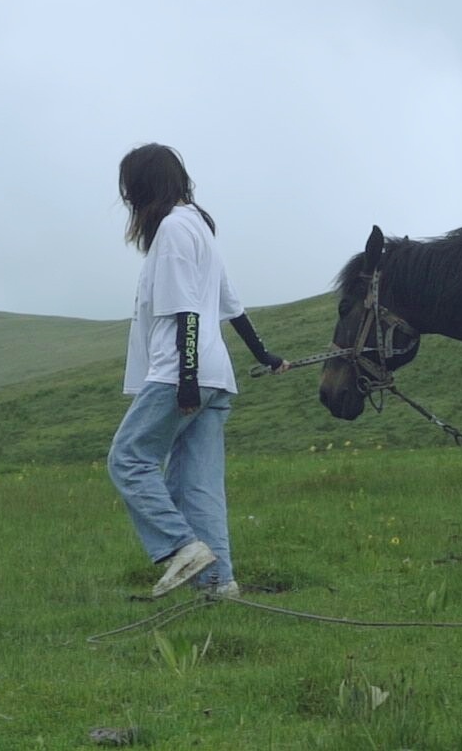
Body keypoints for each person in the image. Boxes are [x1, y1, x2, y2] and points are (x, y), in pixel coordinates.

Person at [109, 143, 290, 598]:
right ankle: (218, 584)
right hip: (217, 377)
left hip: (179, 374)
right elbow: (233, 307)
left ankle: (181, 548)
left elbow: (187, 311)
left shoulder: (172, 229)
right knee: (198, 486)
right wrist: (264, 356)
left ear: (143, 187)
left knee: (129, 460)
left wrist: (185, 380)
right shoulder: (200, 228)